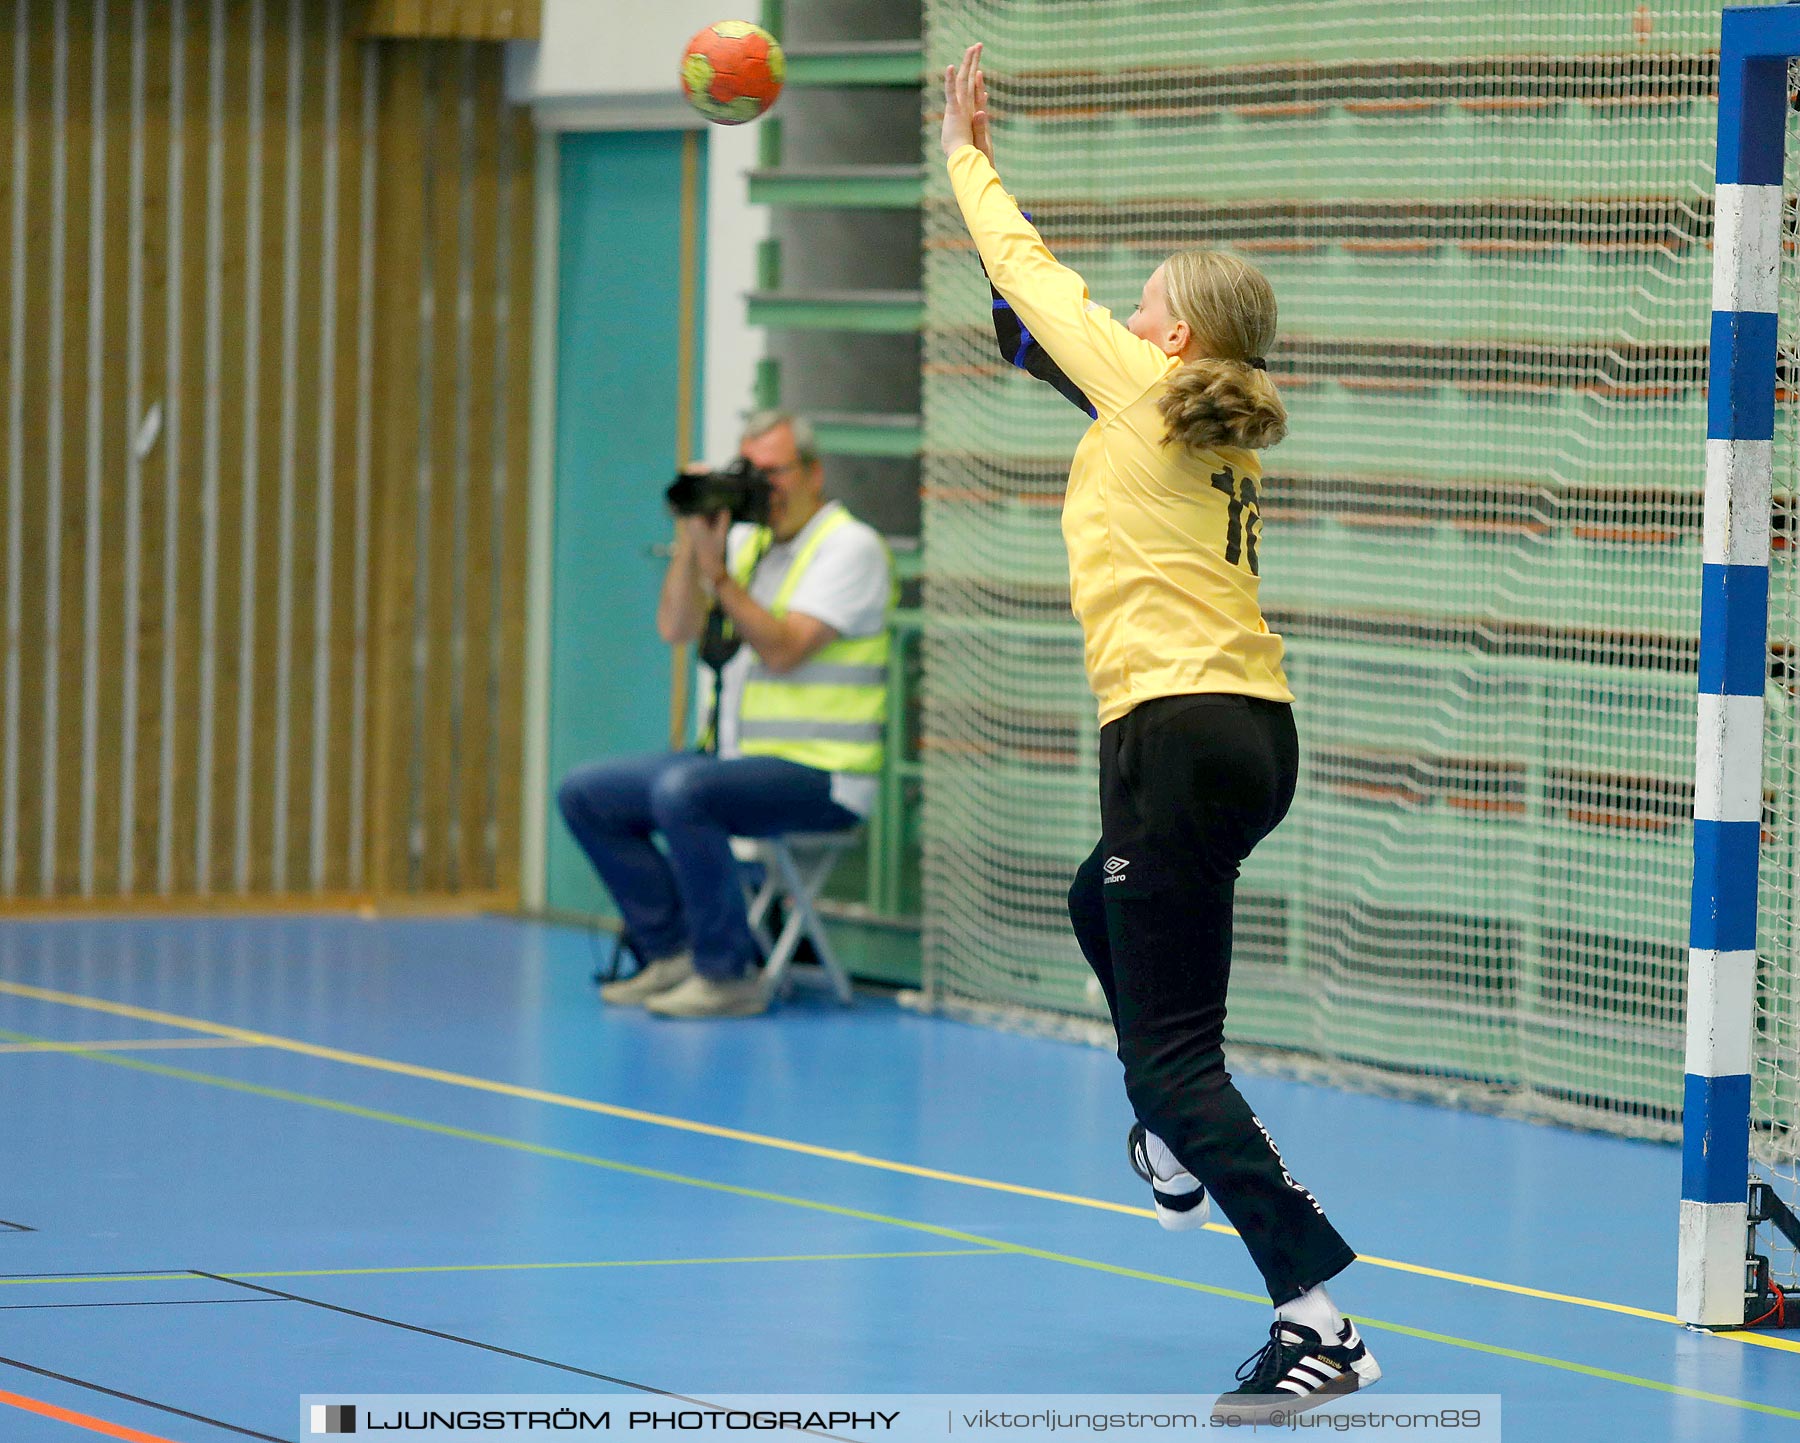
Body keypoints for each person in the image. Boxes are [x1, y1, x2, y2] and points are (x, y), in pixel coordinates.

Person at [941, 45, 1379, 1420]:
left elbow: (1026, 279)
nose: (1123, 320)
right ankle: (1169, 1141)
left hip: (1173, 733)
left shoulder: (1142, 387)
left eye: (1142, 310)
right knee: (1100, 902)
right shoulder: (1204, 425)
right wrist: (1015, 323)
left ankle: (1316, 1317)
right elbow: (1031, 338)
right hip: (1258, 735)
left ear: (1175, 340)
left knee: (1179, 1055)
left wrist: (967, 154)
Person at [556, 411, 893, 1020]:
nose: (762, 486)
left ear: (812, 474)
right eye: (748, 472)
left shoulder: (849, 546)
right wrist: (694, 542)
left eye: (774, 472)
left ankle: (727, 972)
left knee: (685, 791)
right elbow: (675, 627)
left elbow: (785, 649)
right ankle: (671, 952)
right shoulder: (748, 546)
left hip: (824, 774)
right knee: (587, 793)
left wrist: (720, 576)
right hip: (739, 762)